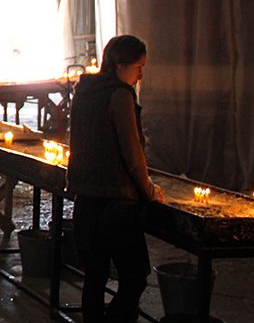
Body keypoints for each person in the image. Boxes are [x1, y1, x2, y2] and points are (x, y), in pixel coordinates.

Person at [66, 34, 164, 323]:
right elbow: (131, 153)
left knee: (94, 278)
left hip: (86, 198)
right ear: (121, 65)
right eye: (138, 67)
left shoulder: (84, 91)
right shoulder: (119, 94)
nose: (141, 74)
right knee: (135, 277)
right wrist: (149, 190)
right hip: (116, 202)